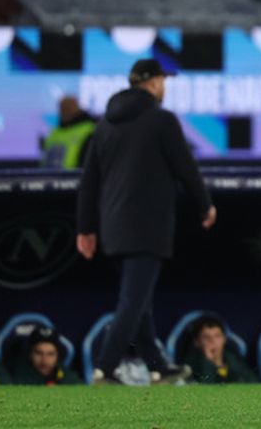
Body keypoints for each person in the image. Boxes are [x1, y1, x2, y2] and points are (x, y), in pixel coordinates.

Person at [76, 58, 217, 385]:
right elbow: (186, 168)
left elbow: (88, 182)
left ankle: (157, 367)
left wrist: (85, 228)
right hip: (147, 224)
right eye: (162, 81)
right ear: (153, 82)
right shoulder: (161, 120)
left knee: (138, 299)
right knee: (132, 301)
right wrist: (205, 205)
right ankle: (106, 367)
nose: (164, 87)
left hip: (112, 226)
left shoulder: (105, 124)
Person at [183, 316, 257, 384]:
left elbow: (253, 384)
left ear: (224, 339)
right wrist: (208, 362)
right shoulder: (189, 367)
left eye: (217, 336)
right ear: (197, 342)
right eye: (206, 337)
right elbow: (204, 388)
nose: (212, 341)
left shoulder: (234, 359)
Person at [41, 96, 96, 169]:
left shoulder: (89, 130)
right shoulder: (54, 132)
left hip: (75, 177)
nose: (65, 111)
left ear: (77, 108)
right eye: (63, 108)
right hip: (48, 177)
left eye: (68, 108)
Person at [12, 327, 80, 385]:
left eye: (50, 354)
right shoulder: (19, 378)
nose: (44, 360)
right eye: (39, 353)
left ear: (58, 356)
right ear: (30, 354)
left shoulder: (67, 377)